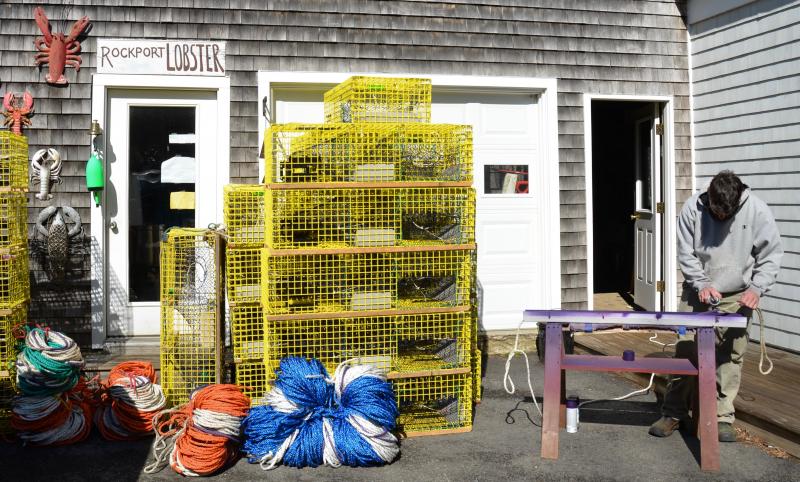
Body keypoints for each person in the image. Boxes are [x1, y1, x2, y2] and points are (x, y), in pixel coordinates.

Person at [648, 170, 782, 442]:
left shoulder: (757, 210)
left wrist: (756, 289)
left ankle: (722, 417)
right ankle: (673, 413)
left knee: (730, 355)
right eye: (715, 212)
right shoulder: (692, 208)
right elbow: (686, 252)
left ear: (737, 202)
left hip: (738, 294)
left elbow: (770, 255)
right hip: (697, 291)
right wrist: (700, 283)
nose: (719, 218)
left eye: (725, 215)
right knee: (686, 351)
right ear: (708, 197)